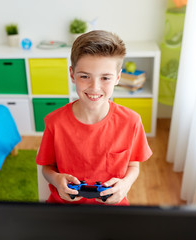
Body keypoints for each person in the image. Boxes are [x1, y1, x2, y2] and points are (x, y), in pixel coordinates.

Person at [36, 30, 152, 206]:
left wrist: (125, 184)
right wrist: (56, 180)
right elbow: (46, 169)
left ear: (118, 78)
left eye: (105, 77)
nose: (94, 87)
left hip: (112, 209)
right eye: (84, 76)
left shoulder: (131, 121)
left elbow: (134, 167)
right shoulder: (55, 122)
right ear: (72, 74)